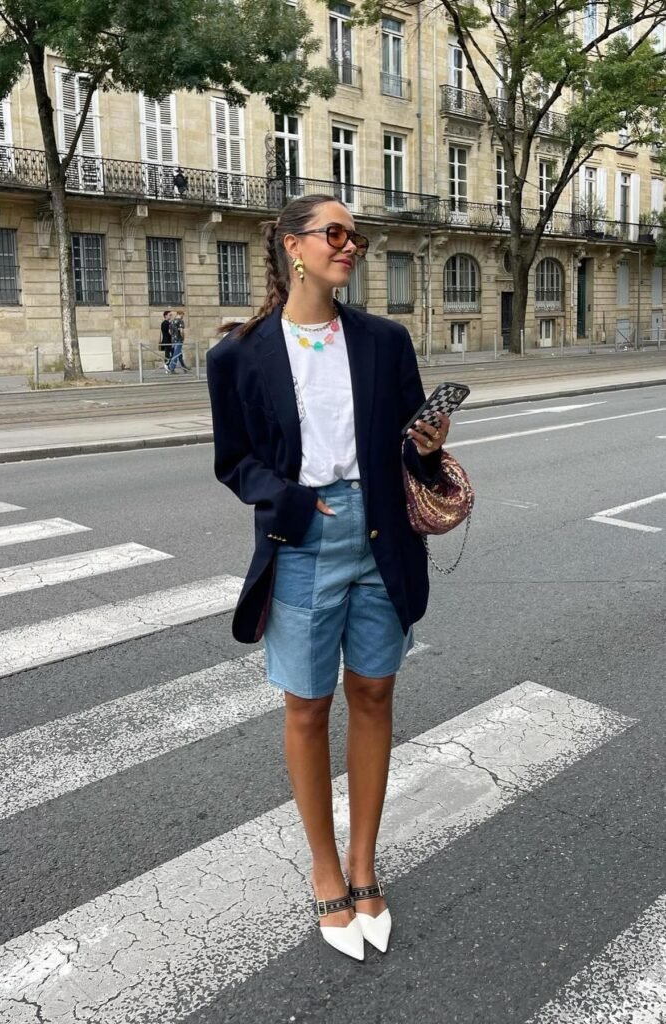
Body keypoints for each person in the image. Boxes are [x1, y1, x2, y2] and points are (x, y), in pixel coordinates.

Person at [206, 194, 450, 962]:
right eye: (335, 233)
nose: (350, 246)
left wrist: (427, 445)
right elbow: (235, 461)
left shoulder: (382, 340)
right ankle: (322, 867)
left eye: (356, 237)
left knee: (373, 692)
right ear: (292, 247)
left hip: (381, 537)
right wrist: (293, 502)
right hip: (305, 540)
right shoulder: (238, 355)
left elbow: (406, 452)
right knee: (307, 708)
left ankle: (364, 863)